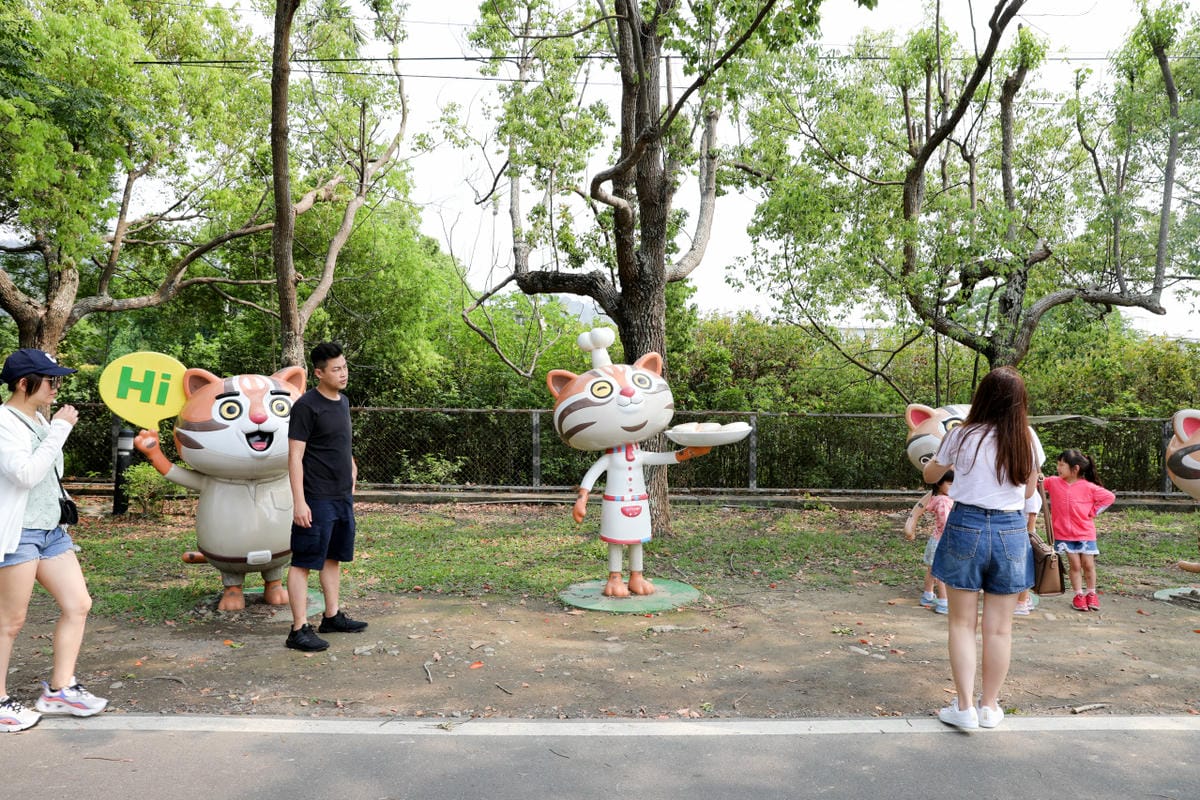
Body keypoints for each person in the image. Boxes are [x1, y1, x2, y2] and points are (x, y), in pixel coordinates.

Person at [922, 366, 1045, 730]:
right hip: (1010, 530)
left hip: (965, 525)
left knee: (961, 624)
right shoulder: (1026, 436)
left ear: (982, 396)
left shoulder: (962, 434)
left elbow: (932, 476)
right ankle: (989, 707)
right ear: (1019, 402)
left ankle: (963, 708)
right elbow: (1027, 492)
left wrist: (938, 461)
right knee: (999, 629)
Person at [0, 349, 107, 732]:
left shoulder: (39, 420)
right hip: (19, 533)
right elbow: (25, 474)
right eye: (50, 381)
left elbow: (48, 473)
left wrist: (54, 428)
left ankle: (59, 690)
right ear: (23, 383)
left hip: (51, 531)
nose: (56, 388)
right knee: (10, 621)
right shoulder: (3, 422)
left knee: (78, 603)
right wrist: (61, 429)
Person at [285, 342, 368, 652]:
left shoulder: (342, 402)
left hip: (341, 496)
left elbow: (340, 441)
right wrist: (299, 501)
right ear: (318, 373)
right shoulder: (306, 406)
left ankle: (331, 617)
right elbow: (294, 457)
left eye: (344, 367)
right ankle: (298, 629)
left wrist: (352, 465)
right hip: (316, 497)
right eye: (336, 369)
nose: (343, 373)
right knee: (304, 562)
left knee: (334, 557)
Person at [1042, 449, 1115, 612]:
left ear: (1075, 469)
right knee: (1074, 565)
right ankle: (1078, 594)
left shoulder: (1088, 487)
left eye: (1062, 465)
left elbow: (1109, 497)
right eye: (1058, 464)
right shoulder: (1053, 482)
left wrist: (1093, 511)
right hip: (1064, 534)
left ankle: (1091, 593)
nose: (1058, 468)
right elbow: (1038, 482)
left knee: (1088, 565)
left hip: (1085, 533)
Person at [904, 472, 953, 614]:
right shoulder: (943, 501)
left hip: (936, 540)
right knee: (942, 573)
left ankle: (928, 595)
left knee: (932, 570)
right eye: (950, 484)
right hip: (944, 540)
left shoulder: (939, 498)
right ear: (939, 483)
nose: (954, 487)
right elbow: (946, 523)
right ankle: (944, 602)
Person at [1013, 485, 1043, 616]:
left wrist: (1028, 536)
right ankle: (1021, 600)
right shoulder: (1025, 488)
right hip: (1018, 533)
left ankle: (1021, 602)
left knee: (1023, 570)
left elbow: (1032, 516)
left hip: (1022, 534)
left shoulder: (1030, 492)